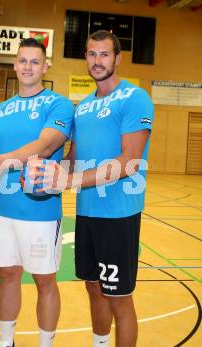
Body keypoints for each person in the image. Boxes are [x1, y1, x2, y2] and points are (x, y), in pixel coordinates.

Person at [38, 30, 154, 347]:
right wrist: (40, 170)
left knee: (119, 298)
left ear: (117, 58)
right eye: (91, 54)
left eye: (104, 54)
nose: (97, 61)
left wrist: (70, 180)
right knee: (94, 287)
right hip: (87, 212)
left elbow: (129, 160)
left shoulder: (135, 97)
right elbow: (73, 160)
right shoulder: (84, 106)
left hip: (118, 214)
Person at [0, 38, 75, 347]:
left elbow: (45, 145)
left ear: (45, 66)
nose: (28, 67)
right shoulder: (2, 109)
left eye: (35, 61)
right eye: (23, 61)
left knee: (44, 280)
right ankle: (7, 341)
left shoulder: (58, 104)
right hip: (4, 210)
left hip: (41, 211)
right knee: (7, 276)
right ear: (15, 65)